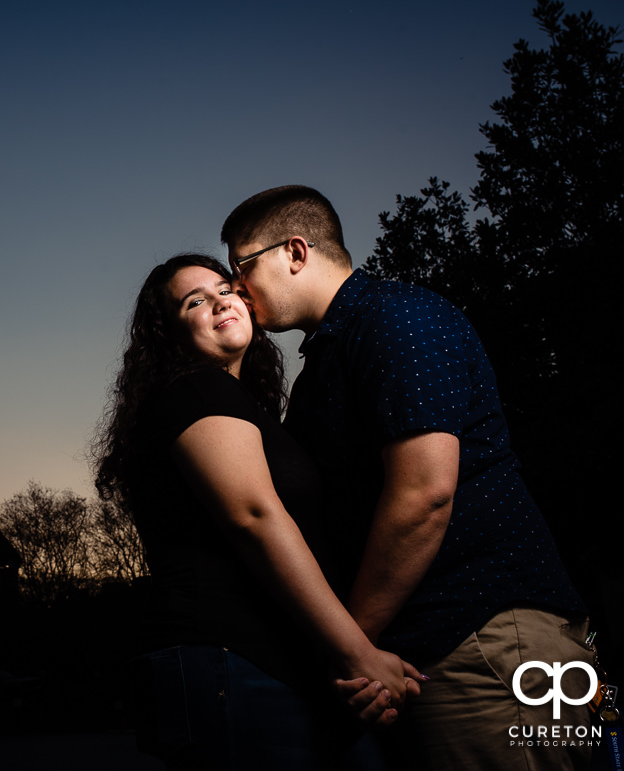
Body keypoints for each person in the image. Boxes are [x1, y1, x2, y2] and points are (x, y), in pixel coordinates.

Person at [220, 185, 594, 771]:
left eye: (241, 265)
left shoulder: (394, 317)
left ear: (295, 251)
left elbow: (424, 494)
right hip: (428, 653)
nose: (234, 286)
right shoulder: (328, 356)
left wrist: (350, 646)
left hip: (487, 641)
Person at [93, 253, 420, 770]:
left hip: (267, 663)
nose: (221, 300)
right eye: (195, 300)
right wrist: (357, 653)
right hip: (225, 659)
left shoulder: (245, 406)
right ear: (169, 334)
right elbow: (255, 518)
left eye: (225, 288)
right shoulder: (197, 389)